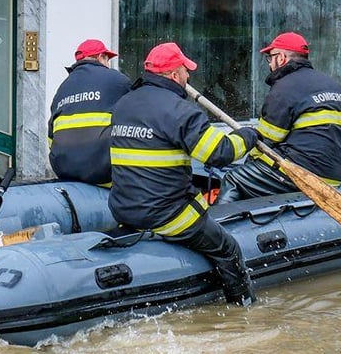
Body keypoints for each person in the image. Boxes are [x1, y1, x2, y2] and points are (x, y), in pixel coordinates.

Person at [108, 42, 259, 305]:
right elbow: (219, 153)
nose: (188, 76)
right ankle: (244, 310)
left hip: (125, 210)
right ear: (175, 75)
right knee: (228, 249)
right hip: (166, 214)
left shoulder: (124, 104)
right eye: (185, 71)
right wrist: (247, 136)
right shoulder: (180, 111)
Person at [215, 32, 341, 205]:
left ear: (281, 58)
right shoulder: (334, 86)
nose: (269, 63)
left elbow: (265, 142)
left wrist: (249, 167)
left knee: (234, 179)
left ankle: (220, 220)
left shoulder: (283, 89)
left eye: (270, 57)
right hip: (332, 180)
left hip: (300, 176)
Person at [47, 39, 132, 186]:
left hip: (64, 171)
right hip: (103, 174)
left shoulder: (62, 88)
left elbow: (51, 135)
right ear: (100, 57)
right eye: (107, 59)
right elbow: (140, 114)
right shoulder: (117, 80)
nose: (108, 64)